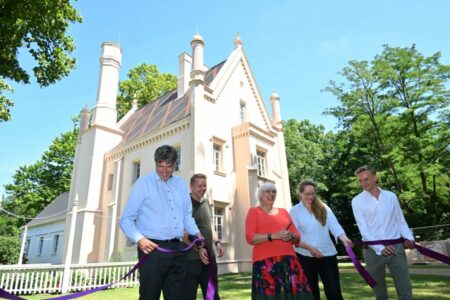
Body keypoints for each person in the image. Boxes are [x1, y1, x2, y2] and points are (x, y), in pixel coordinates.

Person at [119, 145, 205, 300]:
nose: (164, 171)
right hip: (152, 250)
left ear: (175, 165)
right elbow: (126, 219)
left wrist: (199, 237)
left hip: (178, 250)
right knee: (149, 297)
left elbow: (187, 217)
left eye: (169, 166)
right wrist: (140, 239)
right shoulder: (143, 183)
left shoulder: (180, 184)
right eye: (160, 166)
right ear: (155, 163)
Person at [352, 165, 415, 300]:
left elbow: (400, 221)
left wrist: (409, 238)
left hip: (396, 248)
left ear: (375, 177)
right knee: (379, 294)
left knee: (405, 290)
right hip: (373, 251)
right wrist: (381, 248)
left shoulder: (391, 196)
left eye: (366, 179)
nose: (363, 183)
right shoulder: (356, 201)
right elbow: (364, 230)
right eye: (360, 180)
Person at [245, 182, 313, 300]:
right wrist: (273, 236)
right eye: (268, 191)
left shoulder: (283, 212)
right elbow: (250, 238)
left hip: (289, 260)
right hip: (265, 262)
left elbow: (297, 237)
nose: (271, 194)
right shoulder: (254, 212)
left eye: (274, 191)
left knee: (295, 295)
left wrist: (290, 236)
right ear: (260, 195)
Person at [290, 180, 353, 300]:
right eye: (307, 194)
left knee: (334, 292)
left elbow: (335, 226)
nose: (311, 197)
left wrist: (344, 238)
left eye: (313, 193)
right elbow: (294, 237)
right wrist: (309, 248)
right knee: (311, 294)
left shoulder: (323, 207)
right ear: (300, 193)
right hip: (305, 257)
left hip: (327, 255)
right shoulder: (294, 211)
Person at [185, 173, 224, 300]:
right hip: (191, 259)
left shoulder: (206, 202)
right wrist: (198, 249)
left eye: (205, 185)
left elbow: (210, 226)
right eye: (199, 186)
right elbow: (183, 234)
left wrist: (217, 242)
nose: (203, 188)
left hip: (209, 257)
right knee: (188, 295)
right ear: (191, 186)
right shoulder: (185, 204)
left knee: (212, 295)